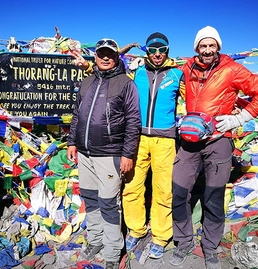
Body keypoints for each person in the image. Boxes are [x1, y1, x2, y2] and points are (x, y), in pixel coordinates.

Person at [168, 26, 258, 269]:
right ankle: (183, 242)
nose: (207, 50)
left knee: (213, 197)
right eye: (203, 46)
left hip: (219, 142)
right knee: (179, 192)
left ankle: (210, 247)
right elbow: (157, 72)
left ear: (218, 47)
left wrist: (240, 117)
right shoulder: (187, 68)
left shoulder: (232, 69)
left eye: (211, 45)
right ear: (196, 48)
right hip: (189, 142)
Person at [71, 33, 185, 260]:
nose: (157, 54)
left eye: (162, 49)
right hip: (137, 139)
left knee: (164, 190)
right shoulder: (135, 73)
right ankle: (135, 229)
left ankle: (160, 236)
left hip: (165, 140)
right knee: (132, 187)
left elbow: (195, 98)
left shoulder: (178, 74)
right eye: (152, 49)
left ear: (168, 51)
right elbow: (108, 74)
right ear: (146, 51)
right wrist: (86, 66)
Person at [66, 38, 141, 269]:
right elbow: (77, 115)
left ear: (116, 57)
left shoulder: (125, 84)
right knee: (90, 199)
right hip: (85, 154)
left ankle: (112, 251)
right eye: (101, 54)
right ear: (95, 57)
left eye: (110, 54)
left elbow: (133, 121)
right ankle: (96, 240)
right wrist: (71, 142)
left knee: (109, 203)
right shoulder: (87, 81)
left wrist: (128, 154)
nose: (105, 58)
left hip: (110, 155)